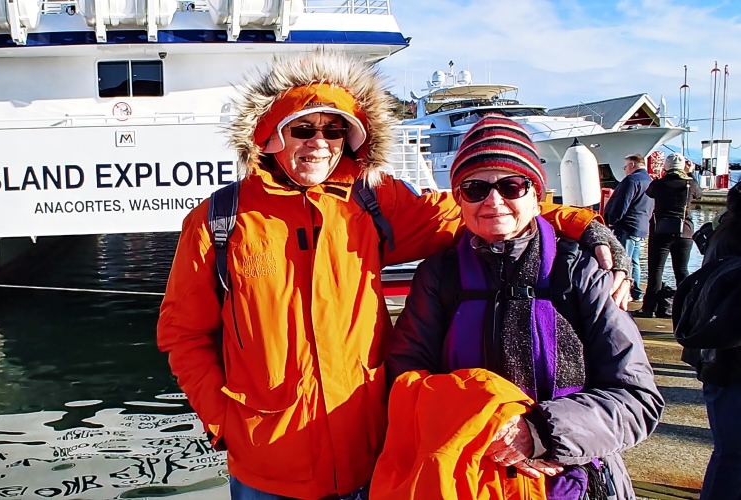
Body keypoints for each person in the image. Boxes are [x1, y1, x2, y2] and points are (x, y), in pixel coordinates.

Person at [156, 50, 627, 500]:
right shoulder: (218, 220)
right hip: (266, 465)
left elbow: (484, 209)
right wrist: (223, 421)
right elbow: (183, 333)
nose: (319, 142)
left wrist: (583, 225)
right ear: (270, 134)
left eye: (334, 129)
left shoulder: (372, 203)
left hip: (368, 454)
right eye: (303, 128)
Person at [377, 115, 663, 499]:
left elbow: (637, 398)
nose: (494, 201)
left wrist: (541, 432)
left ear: (536, 194)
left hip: (572, 480)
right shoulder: (439, 275)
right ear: (458, 198)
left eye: (512, 185)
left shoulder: (580, 272)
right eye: (475, 188)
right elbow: (405, 377)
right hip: (468, 479)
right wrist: (481, 416)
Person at [676, 182, 741, 500]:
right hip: (727, 361)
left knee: (732, 454)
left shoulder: (725, 228)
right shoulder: (731, 236)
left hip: (720, 357)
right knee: (732, 455)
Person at [637, 153, 703, 318]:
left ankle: (649, 308)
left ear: (666, 167)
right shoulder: (689, 184)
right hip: (684, 231)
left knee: (656, 270)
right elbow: (699, 194)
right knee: (682, 270)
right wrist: (690, 173)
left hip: (661, 231)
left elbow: (649, 193)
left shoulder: (658, 184)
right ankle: (686, 306)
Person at [604, 153, 653, 301]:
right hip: (641, 226)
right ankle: (636, 292)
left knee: (623, 261)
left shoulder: (631, 180)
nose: (625, 170)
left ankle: (624, 292)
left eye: (625, 167)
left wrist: (611, 220)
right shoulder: (650, 181)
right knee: (635, 260)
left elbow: (622, 203)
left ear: (632, 165)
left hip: (627, 226)